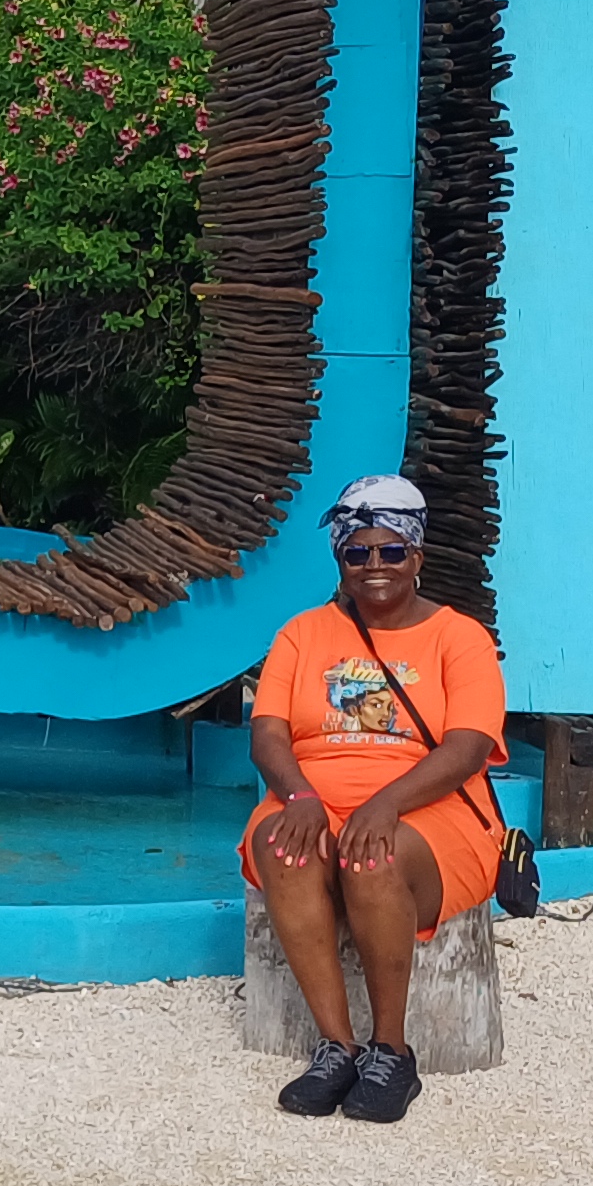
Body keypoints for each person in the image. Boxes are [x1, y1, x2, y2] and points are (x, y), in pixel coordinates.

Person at [238, 474, 508, 1125]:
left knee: (372, 857)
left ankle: (391, 1052)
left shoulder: (459, 637)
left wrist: (385, 804)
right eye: (358, 553)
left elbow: (468, 747)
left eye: (391, 552)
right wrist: (298, 794)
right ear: (340, 559)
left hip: (428, 805)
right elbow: (268, 733)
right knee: (282, 843)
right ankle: (337, 1046)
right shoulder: (303, 635)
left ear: (417, 556)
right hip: (314, 798)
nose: (375, 566)